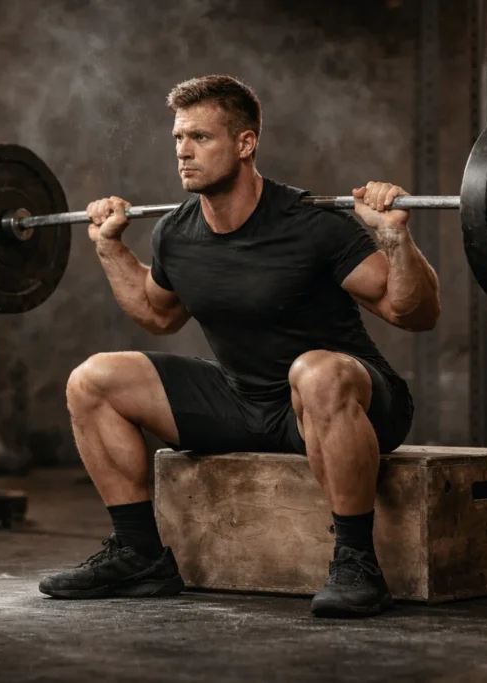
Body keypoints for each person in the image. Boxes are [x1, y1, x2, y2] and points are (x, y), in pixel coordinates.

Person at [38, 75, 440, 618]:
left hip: (345, 400)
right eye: (179, 138)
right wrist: (110, 249)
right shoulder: (177, 234)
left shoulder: (311, 224)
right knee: (94, 379)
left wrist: (394, 239)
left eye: (200, 137)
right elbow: (158, 314)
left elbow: (412, 313)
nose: (183, 151)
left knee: (315, 371)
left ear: (246, 143)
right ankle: (139, 555)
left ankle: (357, 563)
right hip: (243, 399)